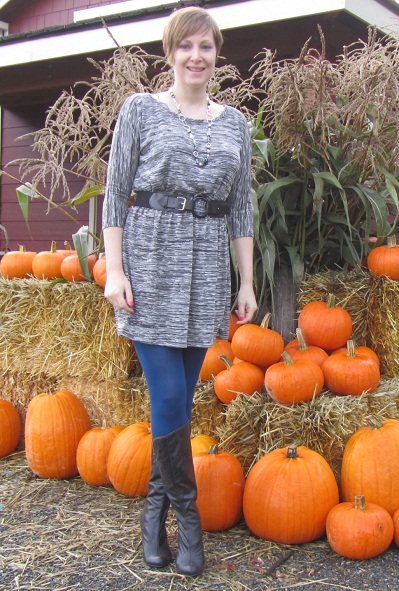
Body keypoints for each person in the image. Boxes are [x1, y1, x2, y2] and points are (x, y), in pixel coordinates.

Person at [102, 6, 257, 577]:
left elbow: (242, 206)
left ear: (217, 55)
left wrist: (246, 280)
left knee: (178, 404)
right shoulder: (140, 110)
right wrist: (115, 271)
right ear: (169, 54)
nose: (196, 56)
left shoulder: (235, 124)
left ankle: (153, 515)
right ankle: (188, 523)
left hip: (206, 270)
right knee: (168, 399)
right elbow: (116, 194)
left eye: (206, 47)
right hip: (150, 263)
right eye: (186, 46)